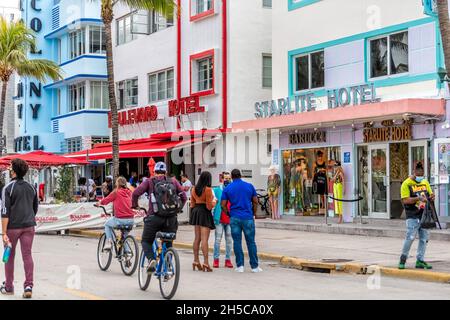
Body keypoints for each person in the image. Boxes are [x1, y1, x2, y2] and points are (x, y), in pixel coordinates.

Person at [132, 162, 187, 273]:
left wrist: (134, 205)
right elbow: (184, 197)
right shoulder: (173, 181)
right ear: (166, 172)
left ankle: (152, 259)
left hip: (154, 218)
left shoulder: (149, 181)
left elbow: (135, 193)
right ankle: (167, 268)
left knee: (146, 241)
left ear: (154, 171)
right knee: (168, 243)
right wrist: (176, 209)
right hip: (171, 219)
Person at [1, 159, 39, 299]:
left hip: (12, 228)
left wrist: (4, 233)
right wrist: (28, 218)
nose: (9, 169)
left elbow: (5, 211)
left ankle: (9, 286)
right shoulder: (31, 187)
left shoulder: (8, 188)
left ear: (14, 171)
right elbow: (35, 208)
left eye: (10, 167)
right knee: (27, 255)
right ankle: (28, 286)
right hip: (29, 226)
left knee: (8, 257)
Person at [221, 169, 262, 273]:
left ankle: (240, 266)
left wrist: (228, 214)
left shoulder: (228, 188)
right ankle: (254, 266)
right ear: (240, 175)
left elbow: (222, 205)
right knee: (251, 242)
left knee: (237, 242)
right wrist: (253, 212)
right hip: (248, 217)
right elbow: (256, 202)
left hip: (234, 217)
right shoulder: (249, 186)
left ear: (232, 177)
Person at [398, 162, 435, 270]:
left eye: (421, 174)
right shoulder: (406, 184)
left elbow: (429, 195)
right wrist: (418, 199)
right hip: (412, 216)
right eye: (418, 174)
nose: (420, 176)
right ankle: (402, 259)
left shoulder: (425, 182)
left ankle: (420, 260)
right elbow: (405, 200)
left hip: (424, 215)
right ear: (413, 172)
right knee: (410, 238)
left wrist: (431, 197)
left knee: (424, 239)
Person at [95, 177, 135, 251]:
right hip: (131, 220)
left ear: (117, 184)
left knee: (107, 224)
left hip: (120, 219)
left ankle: (109, 242)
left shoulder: (116, 192)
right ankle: (128, 254)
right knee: (124, 238)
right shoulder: (129, 192)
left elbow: (106, 200)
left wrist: (99, 203)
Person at [190, 171, 217, 272]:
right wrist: (214, 202)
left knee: (197, 238)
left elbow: (192, 205)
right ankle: (206, 262)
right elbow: (209, 207)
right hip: (204, 213)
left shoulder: (193, 189)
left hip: (196, 212)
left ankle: (196, 260)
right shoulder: (208, 189)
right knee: (204, 239)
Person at [212, 172, 233, 269]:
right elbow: (214, 203)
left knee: (229, 241)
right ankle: (216, 260)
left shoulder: (233, 190)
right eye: (225, 178)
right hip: (219, 219)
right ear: (222, 179)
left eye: (229, 178)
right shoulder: (216, 190)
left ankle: (228, 260)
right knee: (217, 240)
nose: (227, 180)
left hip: (230, 219)